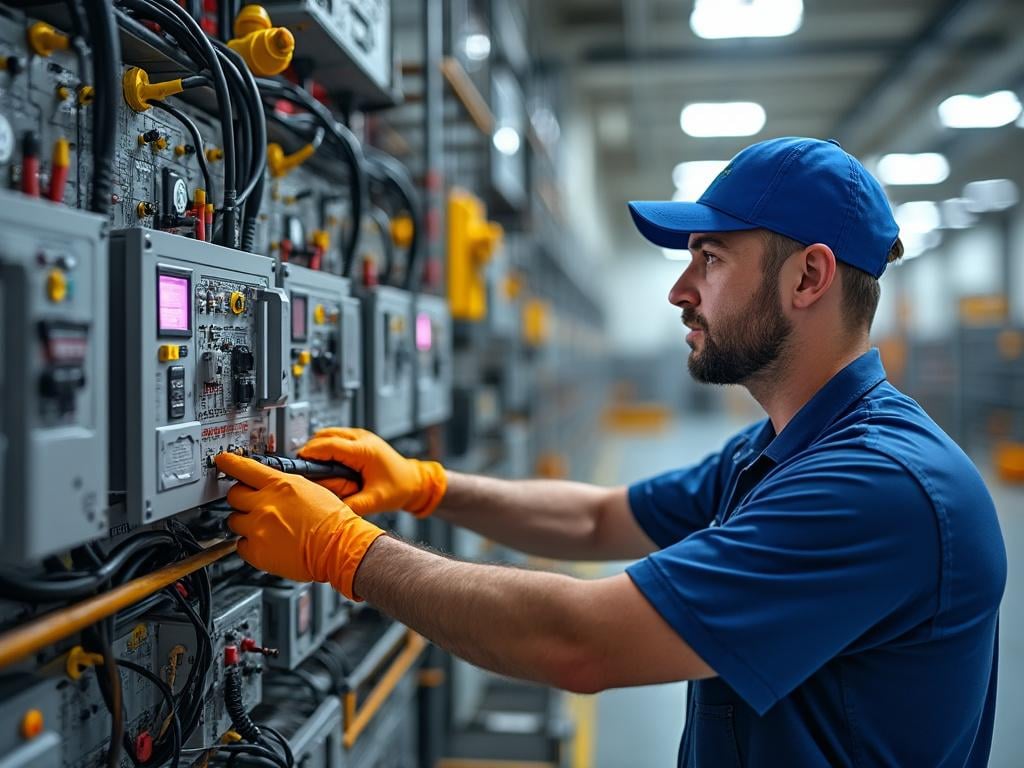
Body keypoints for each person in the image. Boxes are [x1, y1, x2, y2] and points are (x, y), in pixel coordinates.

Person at [217, 137, 1006, 767]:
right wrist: (426, 486)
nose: (679, 290)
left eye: (711, 258)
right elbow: (600, 518)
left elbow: (582, 642)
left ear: (810, 277)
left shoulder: (878, 488)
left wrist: (344, 551)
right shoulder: (776, 452)